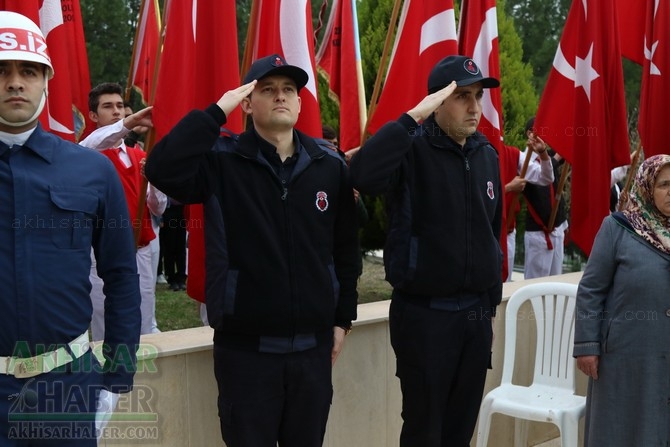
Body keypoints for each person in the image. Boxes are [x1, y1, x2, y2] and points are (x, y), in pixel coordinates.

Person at [145, 53, 360, 446]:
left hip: (312, 353)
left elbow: (345, 249)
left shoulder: (328, 165)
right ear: (246, 102)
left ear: (299, 102)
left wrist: (343, 318)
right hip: (246, 353)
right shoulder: (221, 162)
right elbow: (160, 168)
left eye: (289, 90)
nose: (280, 97)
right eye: (268, 90)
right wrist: (216, 111)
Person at [0, 11, 141, 444]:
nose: (15, 82)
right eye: (2, 70)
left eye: (28, 70)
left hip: (68, 386)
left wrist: (116, 379)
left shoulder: (92, 171)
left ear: (46, 80)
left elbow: (120, 275)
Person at [349, 55, 502, 446]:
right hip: (425, 317)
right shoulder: (411, 149)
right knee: (424, 430)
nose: (474, 107)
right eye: (462, 97)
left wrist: (489, 307)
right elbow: (363, 175)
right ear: (436, 103)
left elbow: (492, 231)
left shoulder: (486, 154)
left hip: (475, 317)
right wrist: (409, 119)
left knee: (459, 429)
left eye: (478, 96)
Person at [574, 154, 670, 446]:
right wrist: (587, 346)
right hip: (625, 355)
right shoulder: (618, 228)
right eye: (664, 184)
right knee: (620, 428)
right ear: (646, 187)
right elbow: (591, 290)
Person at [79, 83, 167, 337]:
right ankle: (107, 373)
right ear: (94, 116)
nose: (117, 111)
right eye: (108, 107)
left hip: (141, 247)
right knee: (104, 318)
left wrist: (154, 180)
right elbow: (94, 143)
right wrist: (128, 124)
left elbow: (157, 208)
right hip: (102, 251)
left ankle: (146, 369)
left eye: (120, 106)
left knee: (144, 314)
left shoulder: (139, 154)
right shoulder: (87, 152)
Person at [501, 133, 554, 281]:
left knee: (505, 287)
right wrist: (509, 187)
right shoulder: (473, 154)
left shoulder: (512, 154)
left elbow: (546, 178)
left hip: (507, 233)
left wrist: (543, 154)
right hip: (484, 235)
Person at [521, 117, 568, 279]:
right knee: (535, 285)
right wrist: (553, 159)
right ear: (530, 134)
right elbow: (541, 176)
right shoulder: (522, 160)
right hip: (538, 232)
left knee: (556, 282)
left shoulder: (549, 154)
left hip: (557, 229)